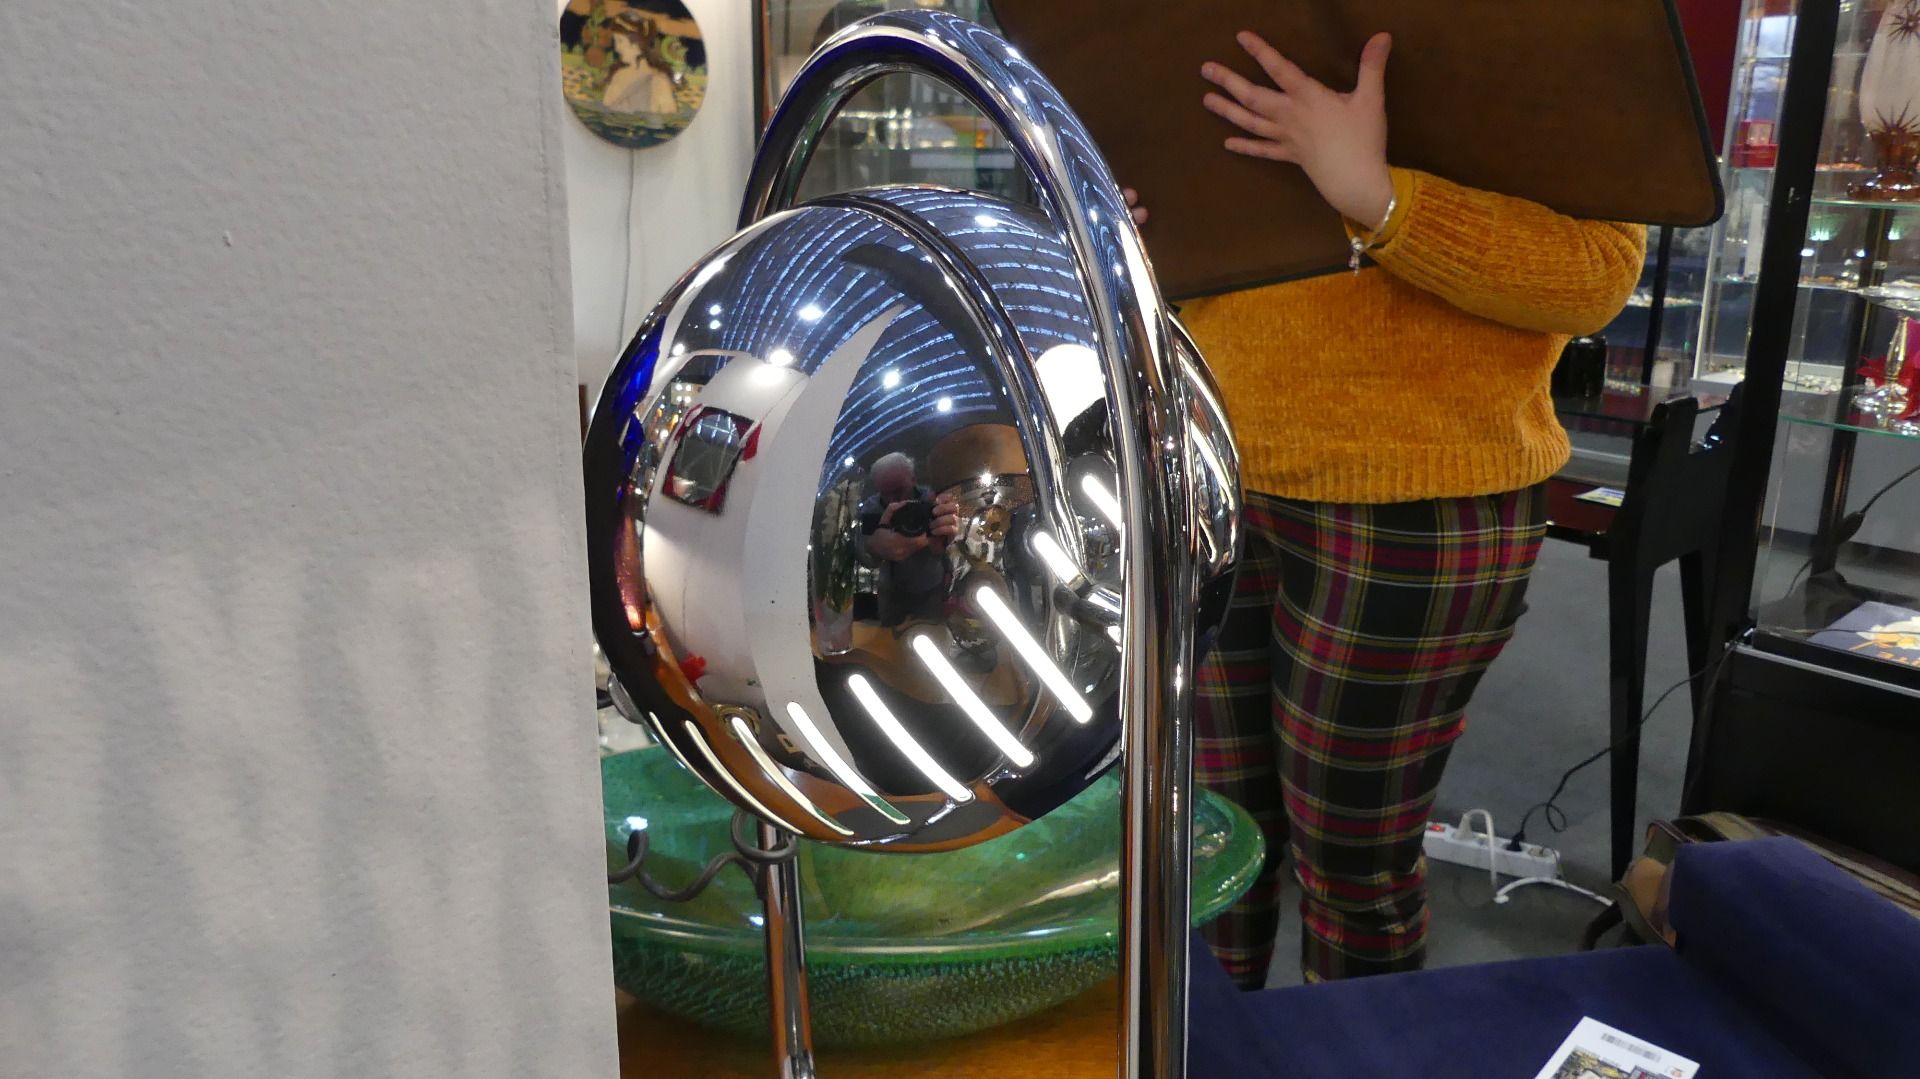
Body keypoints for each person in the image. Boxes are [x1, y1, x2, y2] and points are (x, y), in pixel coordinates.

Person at [1126, 31, 1644, 986]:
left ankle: (1333, 1048)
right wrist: (1160, 239)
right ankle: (1211, 1051)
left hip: (1417, 495)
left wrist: (1379, 197)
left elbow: (1596, 272)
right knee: (1204, 844)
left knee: (1351, 867)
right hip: (1214, 468)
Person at [856, 452, 961, 628]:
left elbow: (950, 543)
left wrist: (949, 537)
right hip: (891, 593)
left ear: (913, 479)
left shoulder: (932, 500)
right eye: (885, 494)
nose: (894, 501)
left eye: (899, 491)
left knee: (933, 634)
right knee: (890, 638)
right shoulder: (872, 509)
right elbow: (865, 554)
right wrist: (873, 548)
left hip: (930, 589)